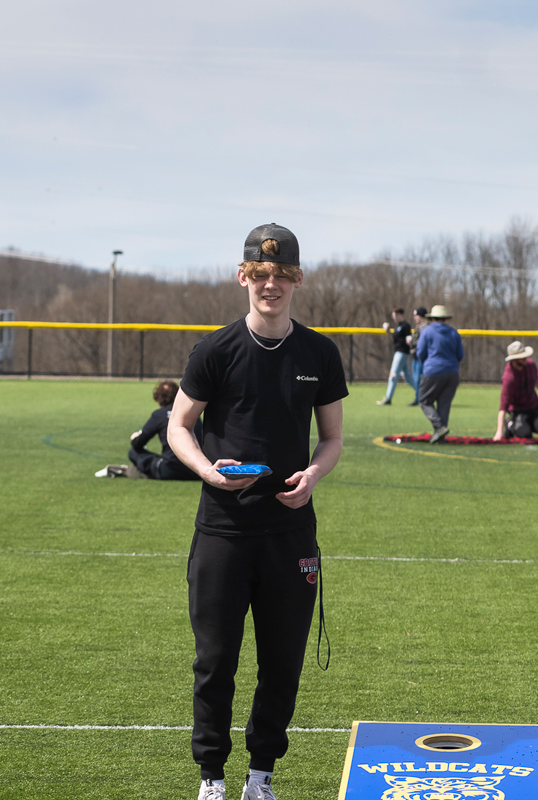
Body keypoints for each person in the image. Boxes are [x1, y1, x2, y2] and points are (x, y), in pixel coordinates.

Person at [166, 223, 348, 800]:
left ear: (296, 280)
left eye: (281, 276)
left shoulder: (319, 352)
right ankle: (212, 780)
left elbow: (333, 439)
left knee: (282, 664)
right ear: (244, 276)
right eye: (260, 274)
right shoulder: (214, 350)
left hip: (290, 533)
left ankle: (261, 778)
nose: (270, 285)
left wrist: (314, 476)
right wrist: (206, 471)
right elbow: (178, 426)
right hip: (222, 530)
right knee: (215, 662)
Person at [93, 380, 203, 479]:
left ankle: (135, 471)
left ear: (159, 398)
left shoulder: (159, 415)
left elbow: (138, 444)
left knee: (133, 452)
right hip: (195, 470)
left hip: (169, 470)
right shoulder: (193, 415)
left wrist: (135, 438)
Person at [415, 304, 463, 443]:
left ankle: (439, 427)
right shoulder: (454, 332)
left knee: (424, 400)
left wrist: (428, 365)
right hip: (452, 372)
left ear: (432, 318)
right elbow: (460, 354)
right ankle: (440, 436)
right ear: (445, 318)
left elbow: (420, 352)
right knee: (444, 404)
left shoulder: (427, 331)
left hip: (432, 371)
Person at [492, 340, 538, 440]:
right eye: (522, 357)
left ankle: (526, 424)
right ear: (515, 359)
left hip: (534, 406)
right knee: (525, 435)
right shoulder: (509, 378)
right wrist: (499, 432)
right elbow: (503, 407)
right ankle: (510, 425)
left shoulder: (531, 365)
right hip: (518, 410)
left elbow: (536, 378)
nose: (526, 358)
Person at [377, 308, 414, 406]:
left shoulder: (406, 325)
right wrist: (388, 330)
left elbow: (407, 339)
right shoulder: (398, 325)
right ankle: (422, 394)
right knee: (408, 377)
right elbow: (395, 337)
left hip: (402, 353)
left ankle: (388, 398)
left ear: (400, 315)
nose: (393, 318)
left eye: (395, 315)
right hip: (400, 353)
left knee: (393, 375)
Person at [407, 306, 428, 407]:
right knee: (416, 379)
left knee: (418, 379)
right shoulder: (419, 326)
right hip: (416, 356)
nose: (415, 318)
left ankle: (420, 399)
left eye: (417, 316)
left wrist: (411, 341)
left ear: (421, 316)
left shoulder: (424, 327)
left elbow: (422, 341)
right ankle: (418, 399)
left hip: (421, 356)